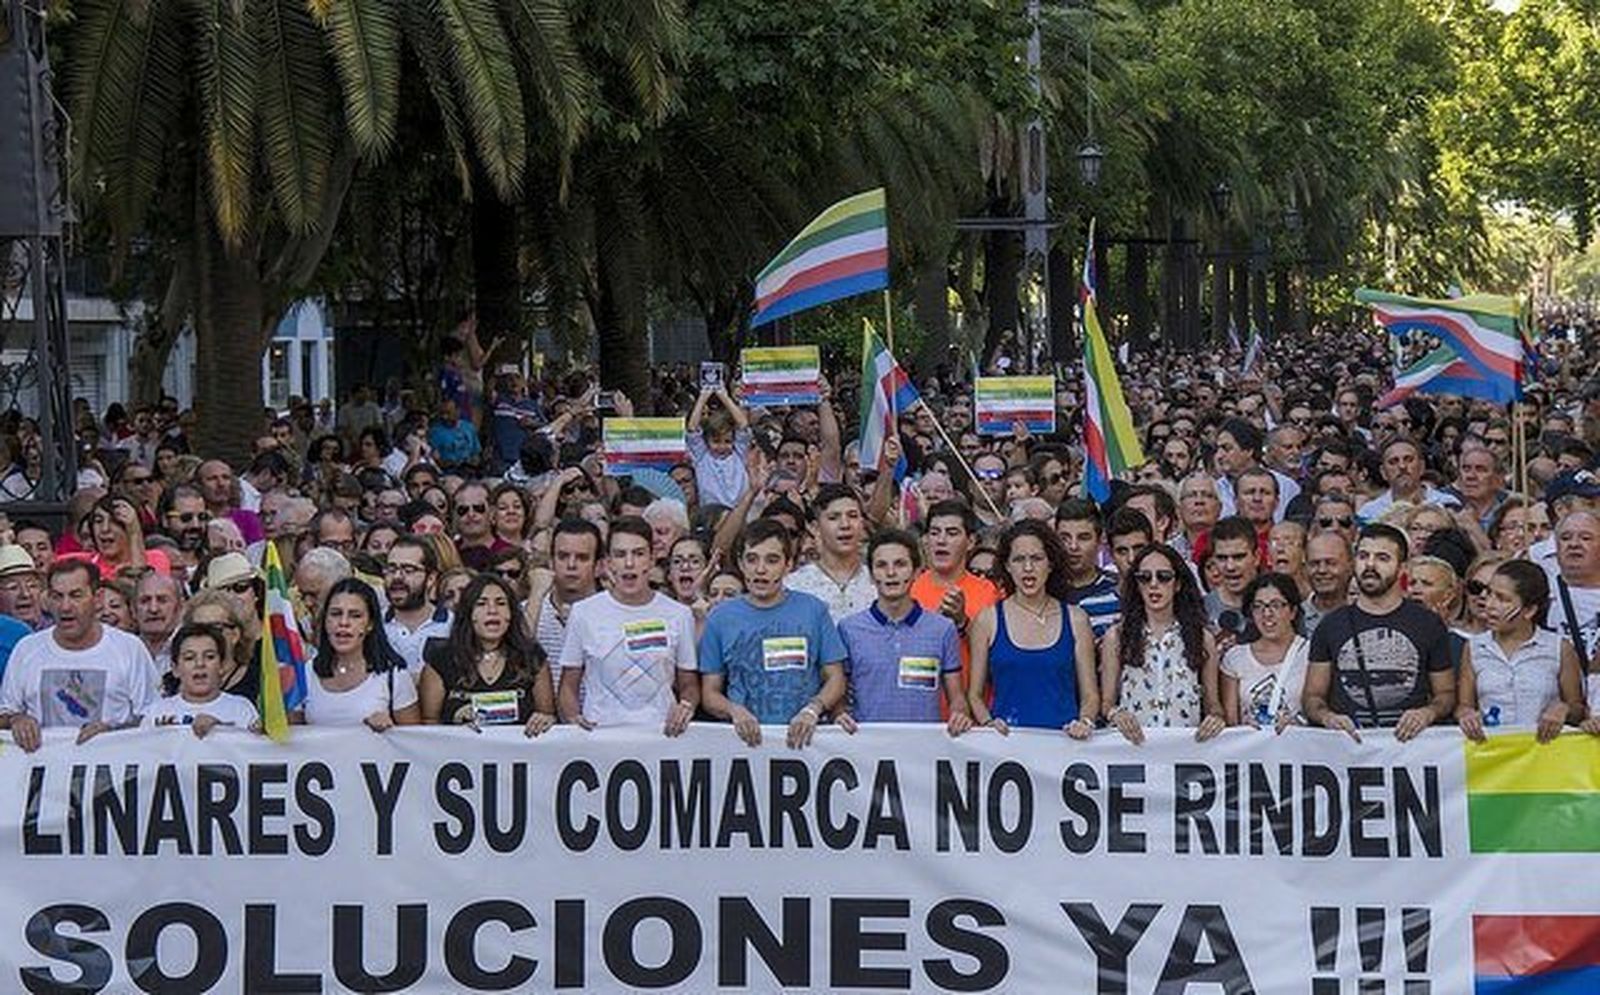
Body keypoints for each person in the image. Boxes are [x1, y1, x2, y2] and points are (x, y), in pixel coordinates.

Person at [699, 519, 848, 748]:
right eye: (752, 559)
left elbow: (835, 677)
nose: (760, 569)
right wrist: (733, 709)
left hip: (807, 741)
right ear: (740, 563)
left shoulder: (814, 610)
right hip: (743, 742)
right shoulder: (720, 617)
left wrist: (813, 709)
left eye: (772, 560)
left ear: (788, 565)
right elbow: (709, 692)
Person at [1303, 524, 1457, 741]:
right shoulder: (1330, 625)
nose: (1370, 565)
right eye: (1363, 556)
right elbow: (1313, 696)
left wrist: (1427, 713)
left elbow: (1446, 694)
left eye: (1383, 558)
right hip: (1348, 748)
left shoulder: (1428, 624)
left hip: (1412, 749)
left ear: (1403, 568)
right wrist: (1327, 717)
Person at [0, 560, 160, 752]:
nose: (65, 606)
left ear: (97, 598)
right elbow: (5, 711)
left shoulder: (130, 649)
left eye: (76, 596)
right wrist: (17, 720)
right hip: (44, 772)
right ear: (48, 600)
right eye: (57, 597)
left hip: (111, 772)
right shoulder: (26, 649)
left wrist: (114, 730)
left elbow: (153, 717)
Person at [557, 517, 699, 734]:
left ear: (652, 559)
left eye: (639, 554)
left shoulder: (679, 614)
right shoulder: (583, 613)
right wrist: (573, 721)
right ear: (608, 563)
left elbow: (689, 683)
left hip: (661, 737)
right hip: (600, 738)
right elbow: (568, 684)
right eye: (620, 554)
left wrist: (685, 706)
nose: (629, 563)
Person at [966, 520, 1099, 736]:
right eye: (1019, 559)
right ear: (1007, 566)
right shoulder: (987, 620)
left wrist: (1085, 722)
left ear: (1051, 563)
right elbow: (974, 694)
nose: (1028, 568)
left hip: (1065, 746)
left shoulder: (1076, 619)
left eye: (1036, 559)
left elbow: (1090, 695)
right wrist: (988, 724)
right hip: (1006, 747)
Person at [837, 529, 970, 732]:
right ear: (871, 576)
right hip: (865, 753)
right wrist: (839, 715)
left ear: (917, 571)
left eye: (900, 564)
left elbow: (957, 697)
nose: (891, 573)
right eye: (881, 565)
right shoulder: (849, 629)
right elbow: (839, 694)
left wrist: (960, 715)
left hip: (923, 752)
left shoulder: (943, 629)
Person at [1100, 544, 1224, 743]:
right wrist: (1116, 714)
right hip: (1133, 751)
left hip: (1185, 753)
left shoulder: (1203, 638)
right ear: (1137, 584)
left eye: (1164, 577)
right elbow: (1106, 702)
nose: (1154, 584)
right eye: (1145, 578)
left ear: (1178, 584)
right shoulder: (1116, 636)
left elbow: (1213, 703)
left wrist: (1216, 719)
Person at [1457, 560, 1586, 742]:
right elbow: (1464, 704)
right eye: (1490, 594)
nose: (1490, 605)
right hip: (1491, 754)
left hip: (1544, 753)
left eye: (1503, 599)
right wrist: (1467, 715)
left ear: (1529, 610)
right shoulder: (1474, 647)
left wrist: (1564, 709)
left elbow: (1578, 708)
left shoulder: (1559, 648)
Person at [419, 574, 556, 734]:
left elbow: (547, 715)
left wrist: (544, 720)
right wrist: (455, 721)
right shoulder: (440, 659)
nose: (492, 610)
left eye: (501, 603)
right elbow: (429, 725)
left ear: (511, 614)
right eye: (481, 604)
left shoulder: (532, 657)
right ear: (468, 613)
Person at [910, 501, 1001, 705]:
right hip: (921, 716)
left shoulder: (989, 592)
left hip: (976, 716)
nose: (941, 540)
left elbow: (1000, 658)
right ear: (925, 540)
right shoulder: (909, 591)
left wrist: (963, 623)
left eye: (952, 533)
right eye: (934, 533)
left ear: (970, 542)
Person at [302, 578, 421, 729]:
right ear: (325, 620)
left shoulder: (394, 676)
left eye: (355, 615)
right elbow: (291, 740)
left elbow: (415, 742)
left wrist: (391, 728)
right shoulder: (306, 673)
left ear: (370, 624)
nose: (344, 622)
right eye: (336, 613)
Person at [1222, 573, 1310, 728]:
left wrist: (1298, 723)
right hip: (1251, 750)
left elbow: (1319, 707)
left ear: (1293, 611)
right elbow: (1231, 721)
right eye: (1258, 606)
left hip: (1297, 748)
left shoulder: (1311, 653)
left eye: (1276, 605)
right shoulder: (1235, 658)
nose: (1267, 614)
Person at [141, 624, 260, 736]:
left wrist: (220, 730)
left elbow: (256, 750)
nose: (200, 664)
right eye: (189, 658)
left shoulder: (242, 708)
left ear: (222, 666)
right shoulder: (156, 712)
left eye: (209, 657)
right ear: (175, 669)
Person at [784, 484, 874, 622]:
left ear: (862, 524)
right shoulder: (793, 586)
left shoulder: (879, 582)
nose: (845, 525)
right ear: (815, 528)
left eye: (853, 516)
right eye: (833, 517)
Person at [382, 535, 450, 673]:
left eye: (408, 570)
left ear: (431, 578)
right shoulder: (371, 623)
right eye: (391, 569)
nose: (397, 577)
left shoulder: (453, 626)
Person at [1054, 499, 1120, 638]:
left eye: (1083, 538)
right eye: (1064, 538)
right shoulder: (1043, 590)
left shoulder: (1117, 590)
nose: (1073, 546)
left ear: (1100, 539)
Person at [686, 384, 752, 508]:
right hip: (710, 513)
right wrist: (703, 396)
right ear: (706, 441)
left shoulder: (739, 453)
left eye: (727, 441)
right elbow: (692, 429)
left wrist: (724, 396)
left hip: (738, 511)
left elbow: (743, 425)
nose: (722, 447)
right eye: (716, 441)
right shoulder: (701, 456)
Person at [1302, 531, 1353, 637]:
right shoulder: (1292, 618)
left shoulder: (1366, 614)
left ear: (1350, 566)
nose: (1322, 570)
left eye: (1331, 563)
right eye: (1314, 564)